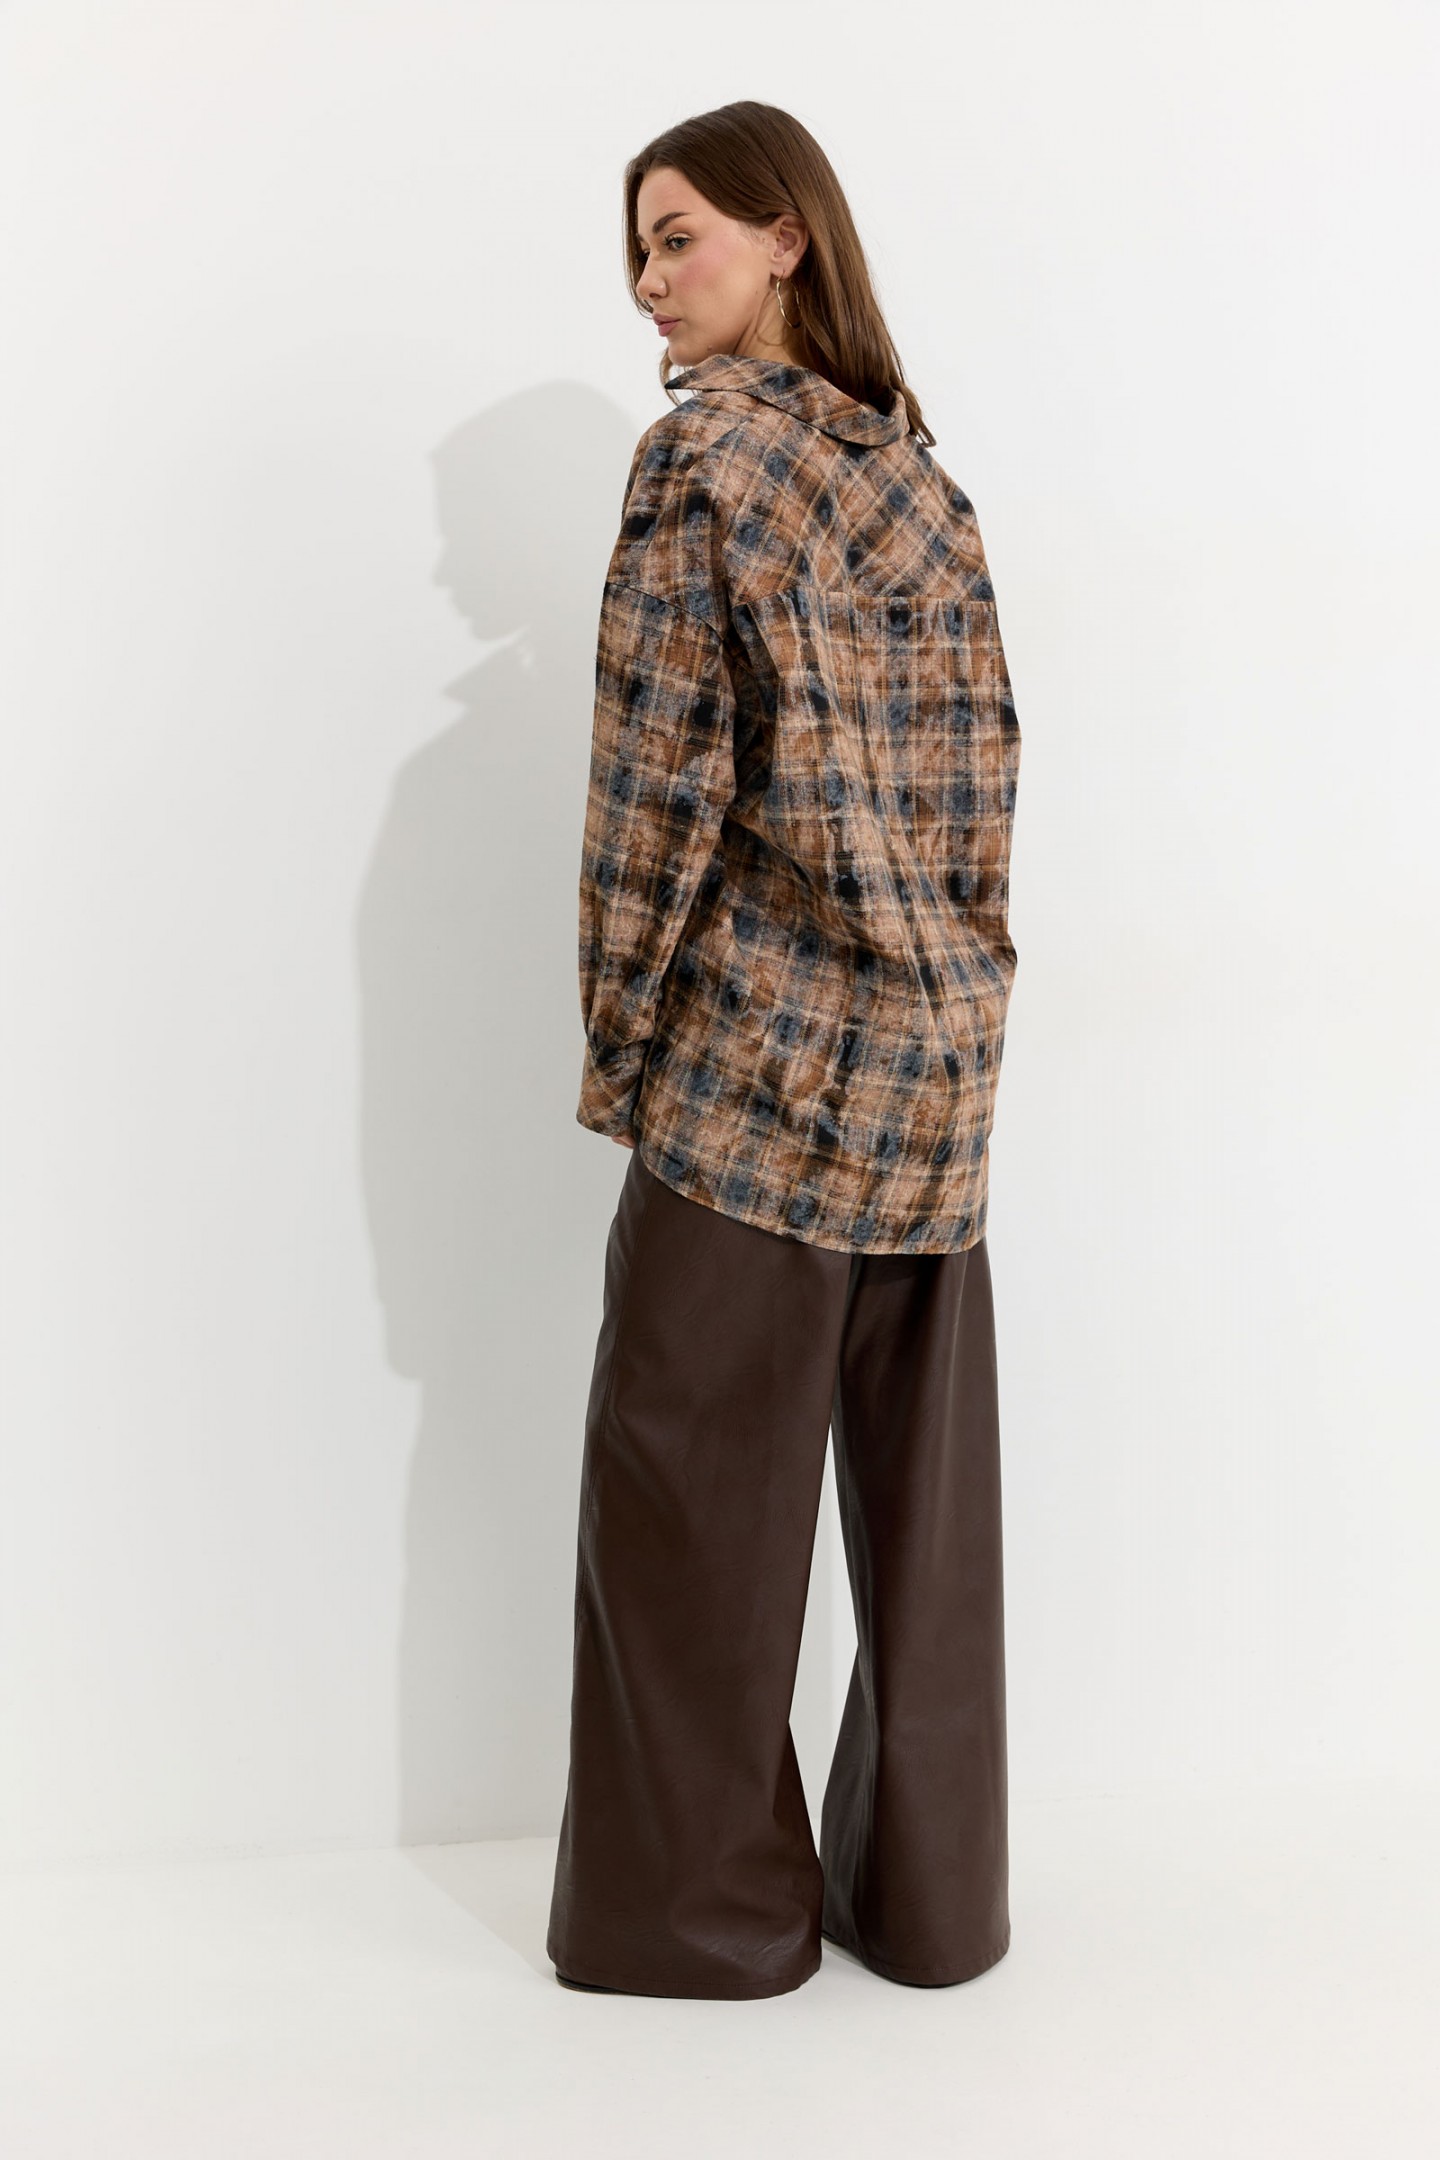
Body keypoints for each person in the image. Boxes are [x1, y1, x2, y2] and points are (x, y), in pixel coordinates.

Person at [547, 100, 1021, 2001]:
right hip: (932, 1080)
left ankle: (703, 1923)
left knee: (683, 1516)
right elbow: (988, 786)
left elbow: (656, 792)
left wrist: (623, 1049)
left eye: (678, 237)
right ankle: (929, 1908)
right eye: (640, 252)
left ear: (785, 237)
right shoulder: (925, 485)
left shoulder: (704, 460)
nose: (650, 283)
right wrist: (961, 1012)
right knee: (927, 1541)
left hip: (755, 1081)